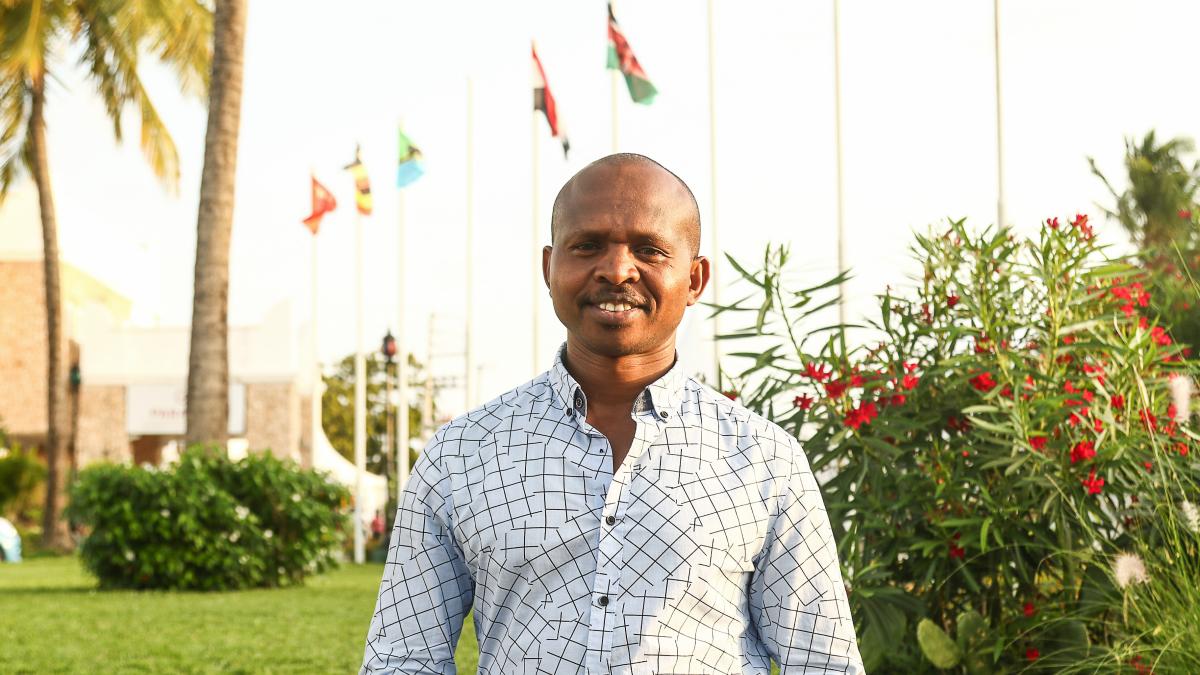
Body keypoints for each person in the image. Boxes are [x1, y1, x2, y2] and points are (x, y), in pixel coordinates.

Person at [361, 153, 863, 674]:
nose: (617, 269)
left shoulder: (763, 458)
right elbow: (403, 659)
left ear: (694, 280)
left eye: (649, 249)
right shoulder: (462, 453)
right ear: (549, 267)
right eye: (588, 245)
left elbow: (823, 661)